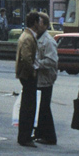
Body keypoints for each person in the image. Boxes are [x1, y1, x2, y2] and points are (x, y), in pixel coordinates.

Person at [14, 12, 41, 147]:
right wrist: (33, 71)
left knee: (28, 105)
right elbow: (26, 58)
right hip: (27, 75)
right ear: (35, 23)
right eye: (39, 21)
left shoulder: (27, 35)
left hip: (26, 74)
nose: (40, 24)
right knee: (28, 107)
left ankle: (24, 136)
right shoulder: (28, 38)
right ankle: (25, 137)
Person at [33, 15, 59, 145]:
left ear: (45, 25)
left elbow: (52, 60)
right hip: (38, 78)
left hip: (45, 78)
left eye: (39, 22)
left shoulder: (48, 41)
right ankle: (39, 133)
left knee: (44, 107)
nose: (37, 25)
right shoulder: (36, 37)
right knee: (39, 107)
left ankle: (50, 136)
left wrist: (37, 64)